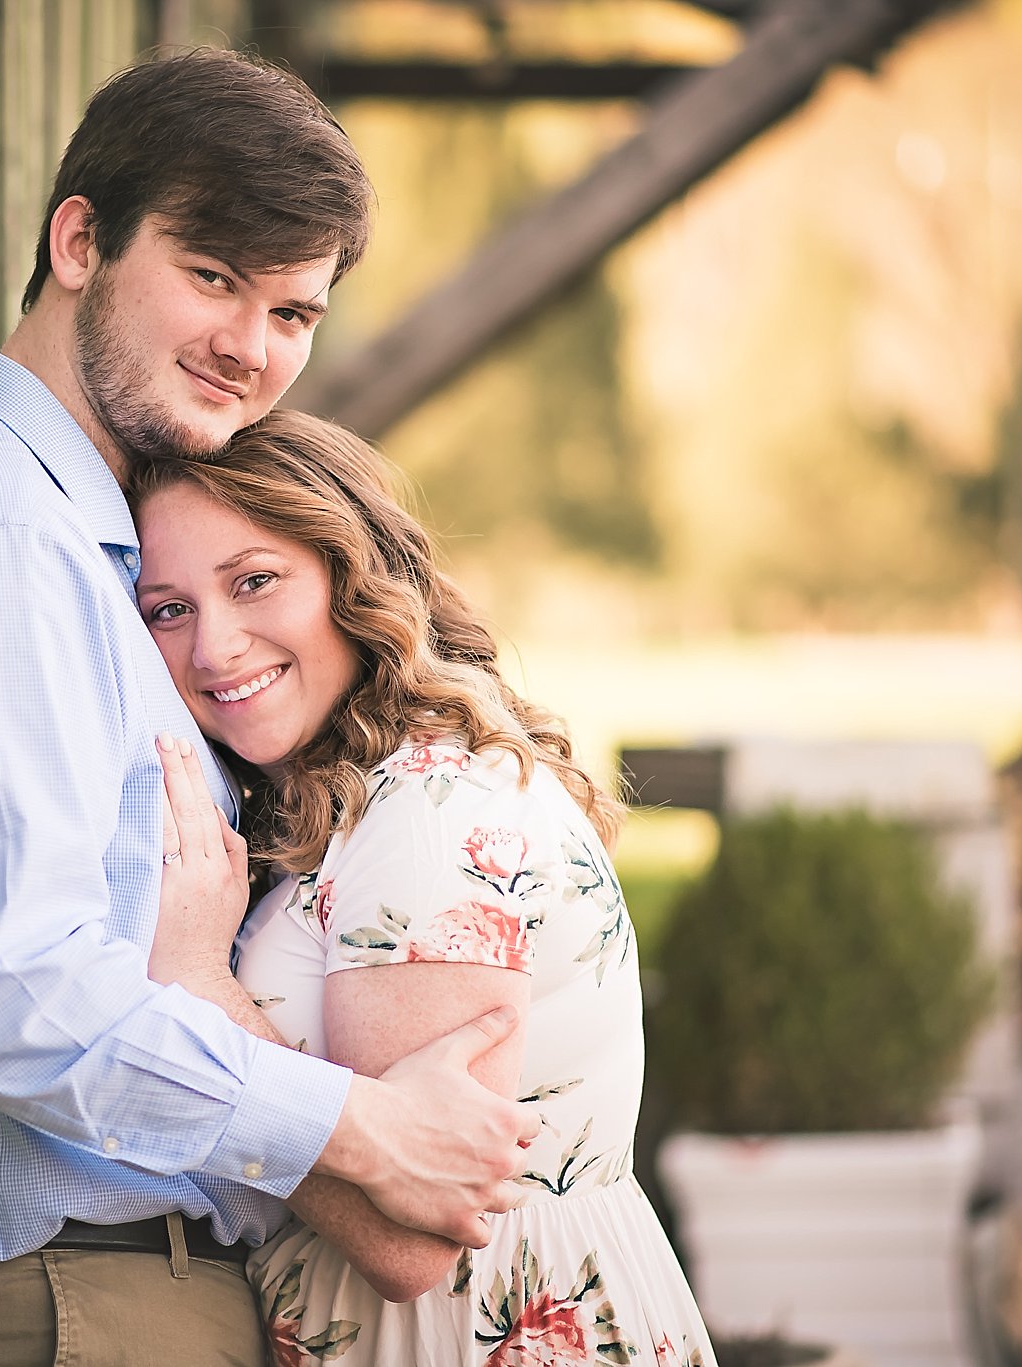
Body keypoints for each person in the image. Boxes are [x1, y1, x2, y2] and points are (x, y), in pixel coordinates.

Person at [0, 50, 541, 1367]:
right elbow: (2, 993)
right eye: (213, 277)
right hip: (40, 1307)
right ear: (79, 238)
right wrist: (359, 1125)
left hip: (108, 1299)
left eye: (294, 313)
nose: (251, 350)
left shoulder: (103, 546)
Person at [128, 410, 716, 1366]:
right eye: (168, 608)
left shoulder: (430, 815)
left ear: (349, 578)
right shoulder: (358, 799)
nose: (214, 647)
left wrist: (202, 991)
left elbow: (414, 1239)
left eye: (255, 581)